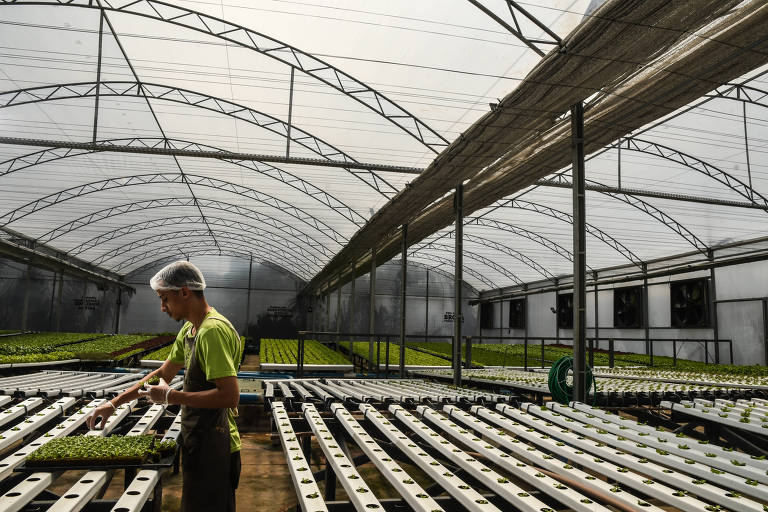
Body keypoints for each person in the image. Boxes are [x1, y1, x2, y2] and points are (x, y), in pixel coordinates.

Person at [87, 260, 242, 512]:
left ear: (184, 292)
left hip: (217, 445)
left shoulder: (212, 331)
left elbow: (229, 397)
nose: (162, 307)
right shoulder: (191, 330)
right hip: (199, 438)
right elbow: (162, 373)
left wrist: (172, 396)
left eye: (164, 299)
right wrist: (114, 403)